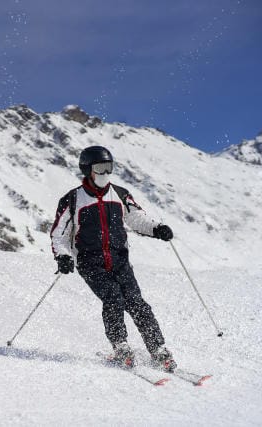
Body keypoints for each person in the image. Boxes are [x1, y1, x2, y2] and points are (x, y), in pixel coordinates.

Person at [50, 145, 177, 371]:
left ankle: (158, 350)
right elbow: (59, 234)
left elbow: (136, 217)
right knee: (113, 298)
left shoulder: (119, 193)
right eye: (100, 168)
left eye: (109, 167)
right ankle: (120, 347)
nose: (105, 173)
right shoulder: (72, 199)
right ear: (87, 169)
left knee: (137, 302)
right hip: (90, 263)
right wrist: (63, 257)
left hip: (119, 260)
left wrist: (157, 229)